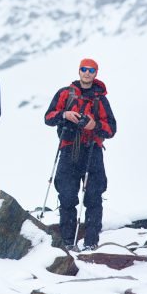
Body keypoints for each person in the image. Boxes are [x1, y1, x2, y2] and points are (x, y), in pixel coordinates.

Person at [44, 58, 116, 250]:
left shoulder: (100, 99)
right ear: (79, 71)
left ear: (96, 73)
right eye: (84, 69)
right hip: (69, 149)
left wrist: (95, 125)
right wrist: (65, 115)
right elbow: (48, 117)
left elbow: (112, 129)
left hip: (92, 150)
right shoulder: (65, 94)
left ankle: (91, 241)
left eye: (91, 70)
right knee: (67, 195)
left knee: (94, 196)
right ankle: (68, 241)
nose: (87, 73)